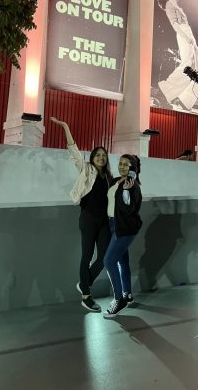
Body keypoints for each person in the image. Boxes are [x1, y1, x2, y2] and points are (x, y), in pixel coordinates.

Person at [50, 117, 112, 312]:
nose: (101, 157)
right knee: (86, 256)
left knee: (105, 257)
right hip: (88, 218)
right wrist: (66, 127)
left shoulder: (109, 178)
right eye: (98, 155)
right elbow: (73, 151)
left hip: (104, 221)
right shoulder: (86, 170)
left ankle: (85, 283)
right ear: (92, 157)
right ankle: (86, 296)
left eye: (104, 155)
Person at [103, 154, 143, 318]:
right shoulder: (115, 181)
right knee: (121, 261)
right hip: (113, 225)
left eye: (126, 165)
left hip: (125, 228)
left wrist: (127, 190)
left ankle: (119, 300)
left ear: (133, 168)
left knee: (109, 261)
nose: (122, 167)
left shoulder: (133, 186)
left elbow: (129, 209)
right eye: (120, 164)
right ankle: (127, 293)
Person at [156, 0, 198, 111]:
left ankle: (185, 100)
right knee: (188, 65)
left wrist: (194, 43)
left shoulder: (173, 4)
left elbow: (185, 25)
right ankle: (164, 91)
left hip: (187, 32)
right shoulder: (170, 5)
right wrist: (187, 37)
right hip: (183, 33)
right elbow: (175, 24)